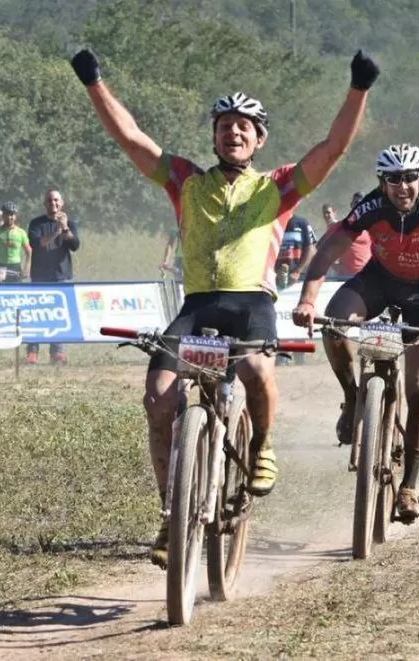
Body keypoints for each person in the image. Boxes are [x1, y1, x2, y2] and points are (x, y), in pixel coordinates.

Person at [70, 44, 379, 565]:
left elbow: (333, 148)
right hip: (197, 304)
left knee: (257, 368)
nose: (233, 133)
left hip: (250, 304)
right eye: (224, 126)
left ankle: (260, 446)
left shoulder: (277, 186)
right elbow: (130, 138)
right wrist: (92, 81)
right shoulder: (185, 180)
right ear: (213, 136)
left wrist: (359, 88)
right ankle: (172, 513)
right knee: (158, 395)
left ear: (259, 139)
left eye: (244, 127)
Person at [292, 144, 419, 524]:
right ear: (382, 183)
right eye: (393, 179)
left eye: (410, 177)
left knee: (418, 390)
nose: (403, 186)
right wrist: (307, 300)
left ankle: (409, 487)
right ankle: (352, 398)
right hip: (378, 280)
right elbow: (327, 253)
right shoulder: (371, 207)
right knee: (334, 324)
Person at [26, 188, 80, 365]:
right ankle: (32, 351)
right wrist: (57, 230)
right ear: (45, 204)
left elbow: (74, 245)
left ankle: (57, 352)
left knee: (58, 315)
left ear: (62, 203)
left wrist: (64, 228)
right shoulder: (36, 224)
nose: (53, 203)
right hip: (40, 276)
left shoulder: (70, 224)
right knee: (36, 314)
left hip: (61, 276)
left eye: (56, 200)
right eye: (50, 201)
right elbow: (38, 243)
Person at [318, 202, 371, 277]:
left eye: (328, 212)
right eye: (324, 213)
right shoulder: (336, 227)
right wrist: (334, 266)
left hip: (363, 273)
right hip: (347, 275)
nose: (326, 215)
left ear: (334, 213)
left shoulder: (339, 227)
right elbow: (320, 247)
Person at [0, 202, 31, 284]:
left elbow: (29, 252)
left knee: (15, 291)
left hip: (15, 267)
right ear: (2, 216)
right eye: (6, 214)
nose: (9, 217)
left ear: (15, 216)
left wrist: (26, 268)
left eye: (12, 214)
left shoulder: (21, 232)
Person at [275, 214, 317, 290]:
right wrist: (275, 273)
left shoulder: (302, 222)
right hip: (273, 282)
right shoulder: (272, 223)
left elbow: (311, 250)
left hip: (298, 282)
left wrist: (297, 271)